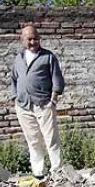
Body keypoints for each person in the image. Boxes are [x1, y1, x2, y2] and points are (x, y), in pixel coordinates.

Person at [11, 25, 64, 178]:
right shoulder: (18, 58)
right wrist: (15, 97)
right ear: (22, 40)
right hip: (23, 106)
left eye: (35, 38)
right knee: (33, 141)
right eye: (29, 39)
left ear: (39, 39)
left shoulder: (48, 57)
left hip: (44, 104)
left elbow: (57, 79)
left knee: (51, 139)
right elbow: (13, 79)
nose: (33, 42)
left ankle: (57, 172)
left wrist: (53, 100)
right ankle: (38, 173)